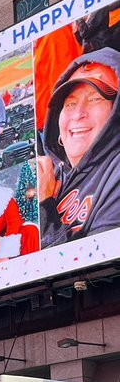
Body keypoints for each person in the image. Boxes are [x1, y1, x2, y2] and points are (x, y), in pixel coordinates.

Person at [38, 50, 120, 247]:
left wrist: (43, 207)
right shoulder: (51, 176)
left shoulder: (115, 173)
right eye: (70, 103)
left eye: (95, 99)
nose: (77, 114)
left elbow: (102, 270)